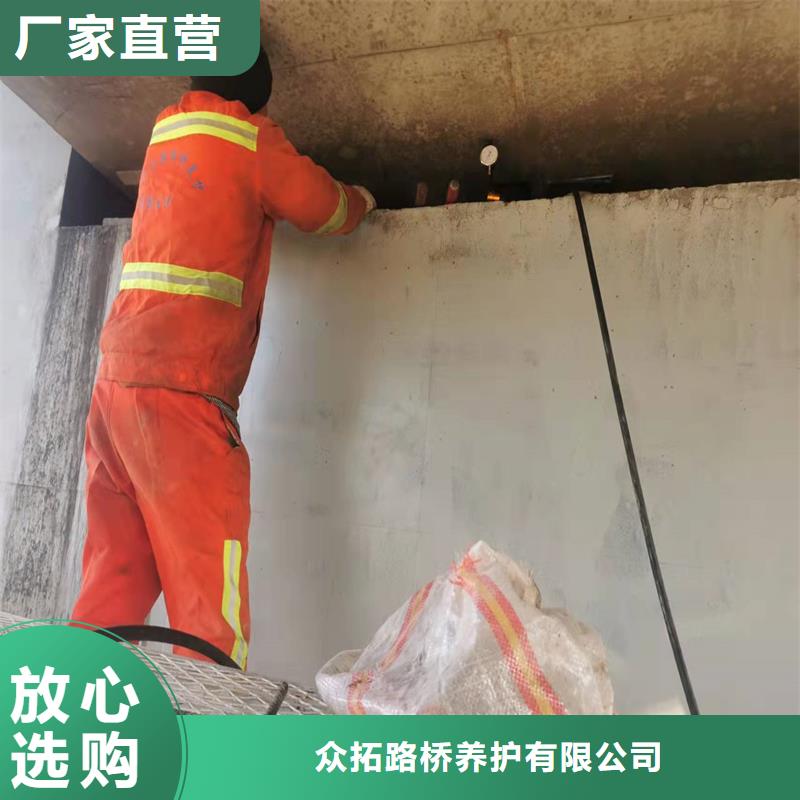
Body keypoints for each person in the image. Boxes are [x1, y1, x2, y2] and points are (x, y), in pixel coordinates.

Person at [71, 47, 375, 669]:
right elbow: (322, 207)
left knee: (113, 582)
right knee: (209, 604)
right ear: (257, 92)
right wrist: (363, 200)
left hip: (114, 388)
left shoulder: (164, 134)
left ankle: (75, 707)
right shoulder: (249, 138)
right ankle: (210, 729)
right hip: (185, 396)